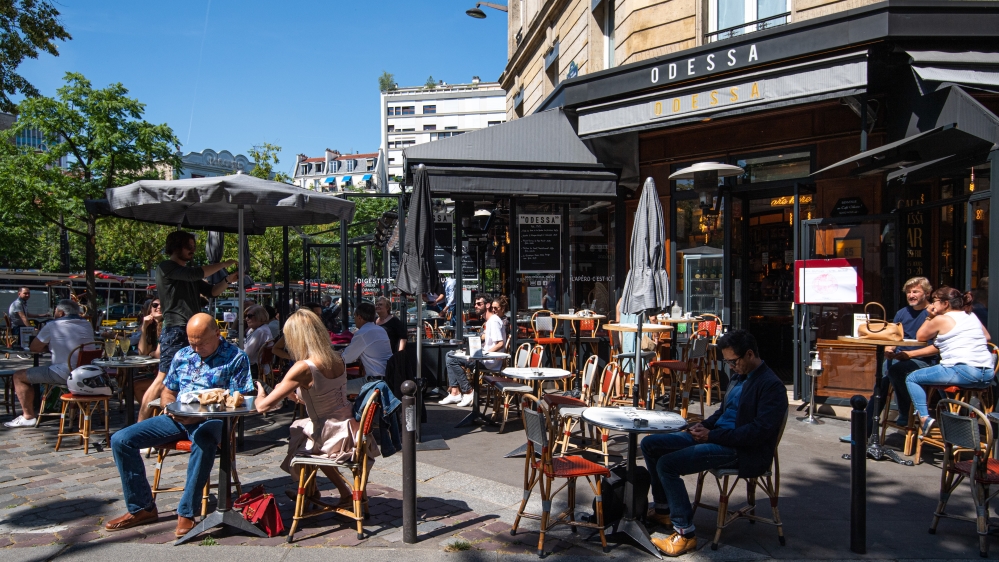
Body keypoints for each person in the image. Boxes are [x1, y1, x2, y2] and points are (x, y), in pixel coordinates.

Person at [640, 329, 787, 556]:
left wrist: (712, 435)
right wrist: (704, 426)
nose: (731, 367)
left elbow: (757, 433)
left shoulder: (771, 386)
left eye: (733, 361)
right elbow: (723, 412)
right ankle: (663, 510)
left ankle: (685, 533)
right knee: (651, 444)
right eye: (727, 362)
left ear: (749, 354)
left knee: (667, 465)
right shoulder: (739, 376)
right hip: (719, 436)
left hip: (741, 450)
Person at [105, 313, 252, 537]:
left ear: (217, 334)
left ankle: (187, 512)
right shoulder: (183, 355)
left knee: (203, 441)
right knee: (121, 440)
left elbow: (238, 400)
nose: (195, 348)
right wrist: (170, 409)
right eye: (192, 342)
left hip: (214, 420)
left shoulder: (236, 357)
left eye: (201, 343)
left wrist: (200, 414)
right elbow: (169, 391)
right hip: (178, 418)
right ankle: (142, 508)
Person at [253, 309, 375, 508]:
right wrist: (296, 396)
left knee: (301, 434)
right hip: (350, 428)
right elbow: (324, 396)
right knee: (303, 429)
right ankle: (315, 490)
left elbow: (263, 407)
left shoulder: (303, 367)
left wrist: (260, 389)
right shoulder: (338, 358)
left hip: (329, 434)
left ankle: (311, 491)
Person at [138, 231, 238, 422]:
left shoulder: (187, 274)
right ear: (176, 247)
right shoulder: (167, 267)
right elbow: (196, 273)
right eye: (188, 246)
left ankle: (191, 423)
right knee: (162, 380)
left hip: (193, 332)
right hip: (175, 330)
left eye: (194, 246)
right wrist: (224, 264)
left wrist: (228, 279)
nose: (193, 250)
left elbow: (212, 292)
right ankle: (140, 427)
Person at [842, 277, 940, 442]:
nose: (911, 295)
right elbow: (892, 337)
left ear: (927, 293)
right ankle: (863, 432)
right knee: (880, 385)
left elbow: (936, 348)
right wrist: (889, 349)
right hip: (900, 358)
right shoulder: (902, 313)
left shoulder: (933, 314)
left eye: (915, 291)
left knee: (893, 370)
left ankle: (903, 412)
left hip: (923, 361)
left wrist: (909, 355)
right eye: (908, 292)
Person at [906, 287, 995, 435]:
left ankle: (924, 419)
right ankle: (955, 424)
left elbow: (920, 336)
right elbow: (987, 337)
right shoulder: (970, 315)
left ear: (945, 303)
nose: (932, 305)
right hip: (987, 374)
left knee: (912, 378)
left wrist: (929, 316)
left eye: (935, 301)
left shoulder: (941, 319)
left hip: (963, 371)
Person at [4, 300, 94, 428]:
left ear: (61, 312)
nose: (54, 313)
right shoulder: (86, 324)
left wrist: (48, 346)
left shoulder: (53, 325)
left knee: (18, 376)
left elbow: (34, 348)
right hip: (86, 373)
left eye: (56, 311)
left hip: (64, 373)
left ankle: (28, 416)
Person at [440, 295, 508, 407]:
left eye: (479, 304)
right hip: (484, 358)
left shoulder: (494, 321)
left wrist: (484, 354)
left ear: (487, 305)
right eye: (475, 304)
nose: (475, 306)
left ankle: (467, 391)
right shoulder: (490, 321)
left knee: (451, 358)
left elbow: (500, 344)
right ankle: (455, 392)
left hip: (488, 362)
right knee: (450, 354)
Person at [341, 302, 393, 379]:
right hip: (389, 376)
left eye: (354, 316)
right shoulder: (381, 330)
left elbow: (346, 359)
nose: (354, 319)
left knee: (340, 387)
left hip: (374, 380)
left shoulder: (362, 333)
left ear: (359, 317)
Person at [132, 298, 163, 401]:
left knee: (136, 386)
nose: (158, 307)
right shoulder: (152, 328)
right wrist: (144, 328)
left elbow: (158, 354)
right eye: (155, 305)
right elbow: (142, 353)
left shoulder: (167, 325)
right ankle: (152, 413)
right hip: (157, 373)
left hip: (166, 375)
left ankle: (149, 415)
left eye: (162, 304)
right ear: (150, 309)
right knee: (132, 383)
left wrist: (154, 353)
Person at [244, 305, 273, 378]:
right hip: (255, 366)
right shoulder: (257, 329)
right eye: (246, 316)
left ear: (259, 317)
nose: (246, 319)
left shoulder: (261, 331)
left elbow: (246, 354)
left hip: (254, 368)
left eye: (249, 316)